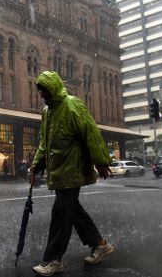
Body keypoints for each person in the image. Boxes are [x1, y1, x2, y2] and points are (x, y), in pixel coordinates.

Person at [30, 71, 114, 276]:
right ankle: (100, 244)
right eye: (40, 90)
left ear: (54, 87)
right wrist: (36, 166)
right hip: (58, 172)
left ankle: (53, 259)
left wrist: (101, 160)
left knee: (60, 213)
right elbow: (45, 142)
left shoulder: (72, 104)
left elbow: (91, 132)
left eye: (45, 89)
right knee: (73, 211)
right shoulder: (47, 112)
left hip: (72, 171)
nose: (42, 94)